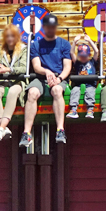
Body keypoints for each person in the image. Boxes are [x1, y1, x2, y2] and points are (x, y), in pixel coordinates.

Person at [19, 14, 72, 148]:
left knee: (57, 90)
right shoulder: (36, 45)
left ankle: (60, 130)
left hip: (59, 77)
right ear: (44, 28)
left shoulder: (64, 44)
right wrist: (46, 72)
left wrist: (59, 78)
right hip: (41, 77)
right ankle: (27, 133)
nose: (50, 29)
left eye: (53, 27)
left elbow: (67, 67)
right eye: (48, 27)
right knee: (32, 92)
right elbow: (36, 67)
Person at [0, 23, 28, 140]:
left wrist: (8, 69)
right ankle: (3, 128)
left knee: (12, 92)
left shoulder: (23, 50)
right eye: (7, 36)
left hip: (17, 81)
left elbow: (24, 68)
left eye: (12, 36)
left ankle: (1, 128)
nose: (10, 39)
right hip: (1, 81)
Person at [66, 35, 99, 119]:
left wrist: (90, 41)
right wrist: (74, 42)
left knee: (90, 92)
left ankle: (90, 109)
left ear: (88, 55)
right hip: (78, 84)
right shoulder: (77, 63)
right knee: (74, 91)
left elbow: (96, 51)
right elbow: (72, 53)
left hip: (90, 84)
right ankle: (73, 109)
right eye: (81, 56)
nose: (83, 58)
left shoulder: (92, 61)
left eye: (84, 56)